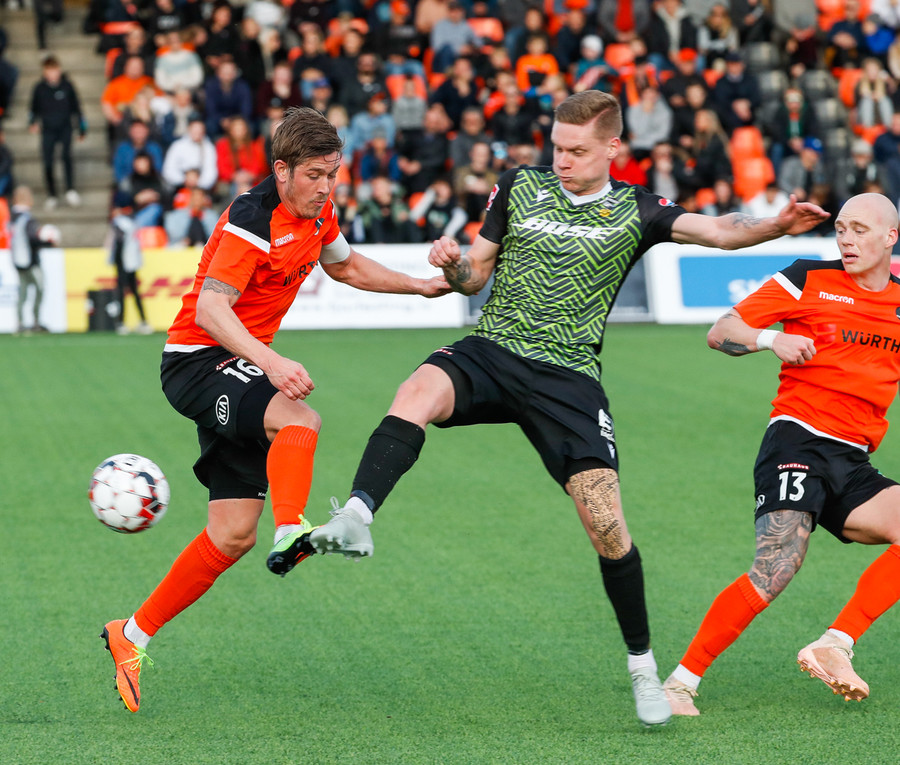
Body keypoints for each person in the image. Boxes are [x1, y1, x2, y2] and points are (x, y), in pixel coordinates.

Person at [306, 90, 829, 728]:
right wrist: (456, 265)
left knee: (607, 525)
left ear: (612, 148)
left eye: (577, 151)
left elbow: (719, 231)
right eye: (556, 147)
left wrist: (776, 225)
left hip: (568, 377)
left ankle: (643, 667)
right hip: (494, 349)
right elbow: (476, 276)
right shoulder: (517, 187)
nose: (562, 161)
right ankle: (357, 515)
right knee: (417, 389)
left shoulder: (638, 208)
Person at [100, 106, 450, 714]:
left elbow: (346, 266)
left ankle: (130, 634)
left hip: (236, 366)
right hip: (197, 363)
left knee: (233, 534)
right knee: (299, 417)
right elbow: (210, 310)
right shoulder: (252, 219)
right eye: (315, 175)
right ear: (282, 170)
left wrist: (420, 286)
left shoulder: (318, 213)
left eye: (333, 174)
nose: (326, 186)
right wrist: (272, 363)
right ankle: (293, 529)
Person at [662, 192, 900, 715]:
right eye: (841, 228)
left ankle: (835, 644)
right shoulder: (807, 277)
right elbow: (722, 331)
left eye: (860, 230)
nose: (846, 239)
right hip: (798, 441)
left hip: (853, 459)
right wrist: (771, 341)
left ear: (890, 237)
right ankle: (679, 683)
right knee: (776, 566)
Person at [28, 55, 86, 210]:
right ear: (44, 71)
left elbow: (77, 109)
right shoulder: (39, 88)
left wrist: (82, 129)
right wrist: (32, 123)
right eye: (49, 70)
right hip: (48, 130)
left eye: (55, 70)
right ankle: (52, 194)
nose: (52, 73)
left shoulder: (67, 86)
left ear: (59, 70)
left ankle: (70, 190)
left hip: (65, 128)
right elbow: (33, 109)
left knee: (66, 156)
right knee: (47, 161)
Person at [9, 185, 55, 334]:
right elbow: (33, 238)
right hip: (30, 261)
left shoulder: (12, 217)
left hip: (17, 260)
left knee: (23, 291)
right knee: (39, 288)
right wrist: (48, 242)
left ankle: (20, 322)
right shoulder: (26, 218)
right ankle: (36, 320)